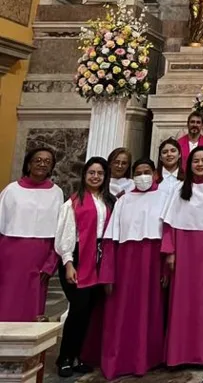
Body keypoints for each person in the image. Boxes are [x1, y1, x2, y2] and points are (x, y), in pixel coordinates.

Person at [100, 158, 165, 380]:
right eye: (138, 172)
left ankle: (148, 358)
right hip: (126, 262)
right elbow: (110, 239)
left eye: (147, 171)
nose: (143, 176)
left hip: (154, 261)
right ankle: (120, 358)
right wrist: (107, 273)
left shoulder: (165, 197)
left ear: (155, 174)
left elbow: (168, 234)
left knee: (151, 309)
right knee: (123, 311)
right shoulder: (124, 200)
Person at [161, 147, 203, 367]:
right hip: (185, 250)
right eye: (195, 161)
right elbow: (169, 224)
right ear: (188, 165)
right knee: (182, 302)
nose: (200, 164)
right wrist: (170, 252)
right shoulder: (180, 189)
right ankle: (179, 354)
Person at [55, 157, 115, 378]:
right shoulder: (73, 202)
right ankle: (65, 358)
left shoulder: (109, 201)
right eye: (92, 172)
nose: (95, 177)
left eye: (100, 173)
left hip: (100, 257)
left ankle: (79, 356)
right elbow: (66, 236)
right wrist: (69, 263)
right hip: (78, 257)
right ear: (84, 175)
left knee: (90, 311)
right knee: (78, 310)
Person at [0, 146, 63, 321]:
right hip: (9, 257)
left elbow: (60, 230)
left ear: (51, 167)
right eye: (38, 160)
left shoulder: (56, 193)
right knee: (6, 301)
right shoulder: (11, 190)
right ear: (28, 164)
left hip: (40, 258)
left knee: (33, 306)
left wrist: (51, 263)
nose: (42, 164)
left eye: (47, 162)